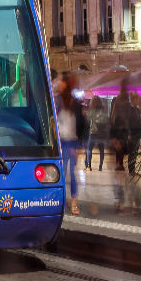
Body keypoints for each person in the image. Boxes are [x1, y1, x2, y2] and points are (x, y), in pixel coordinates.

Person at [109, 84, 141, 213]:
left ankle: (121, 202)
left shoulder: (120, 112)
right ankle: (121, 201)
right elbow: (119, 126)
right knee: (119, 167)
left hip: (122, 139)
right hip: (121, 140)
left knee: (120, 167)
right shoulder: (124, 111)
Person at [56, 73, 85, 215]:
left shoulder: (75, 103)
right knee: (61, 173)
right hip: (61, 142)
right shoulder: (57, 101)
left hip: (71, 142)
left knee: (71, 174)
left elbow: (82, 125)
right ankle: (61, 200)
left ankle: (73, 201)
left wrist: (79, 145)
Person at [85, 94, 108, 171]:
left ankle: (89, 165)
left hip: (92, 133)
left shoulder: (90, 111)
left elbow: (87, 122)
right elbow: (106, 121)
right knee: (101, 150)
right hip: (101, 133)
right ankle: (100, 166)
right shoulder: (103, 111)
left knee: (89, 149)